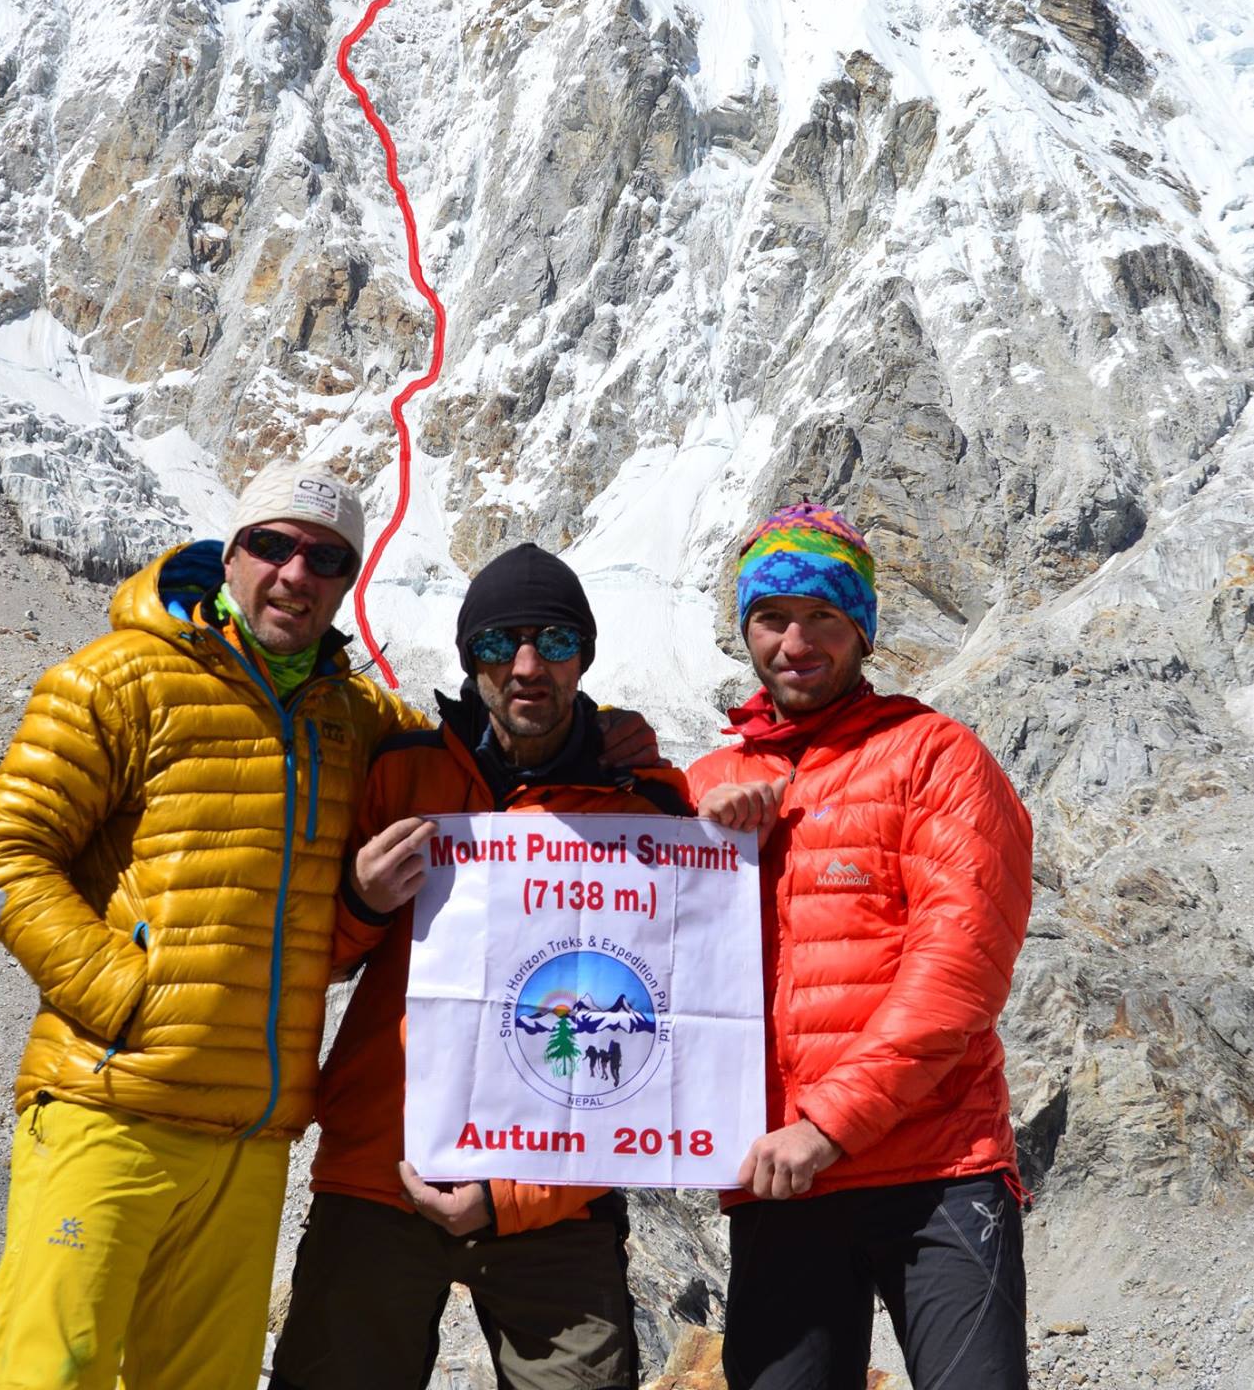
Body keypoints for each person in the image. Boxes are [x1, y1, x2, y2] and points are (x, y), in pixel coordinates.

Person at [0, 461, 425, 1390]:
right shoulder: (119, 676)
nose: (297, 573)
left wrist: (607, 737)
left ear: (348, 581)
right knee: (49, 1373)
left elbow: (478, 764)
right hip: (110, 1105)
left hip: (251, 1144)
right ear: (231, 554)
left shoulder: (352, 713)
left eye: (327, 558)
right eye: (273, 545)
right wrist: (130, 1001)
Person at [269, 542, 692, 1390]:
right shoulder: (402, 773)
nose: (527, 666)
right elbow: (307, 963)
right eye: (500, 644)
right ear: (470, 659)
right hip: (382, 1173)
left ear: (586, 658)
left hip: (554, 1190)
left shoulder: (641, 807)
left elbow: (670, 1030)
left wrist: (515, 1196)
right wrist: (359, 901)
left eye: (555, 643)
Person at [690, 504, 1034, 1390]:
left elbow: (958, 971)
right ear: (746, 631)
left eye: (823, 618)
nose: (795, 641)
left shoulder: (935, 757)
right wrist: (687, 839)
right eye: (771, 618)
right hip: (779, 1178)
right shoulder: (708, 783)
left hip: (936, 1169)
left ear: (861, 631)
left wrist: (826, 1126)